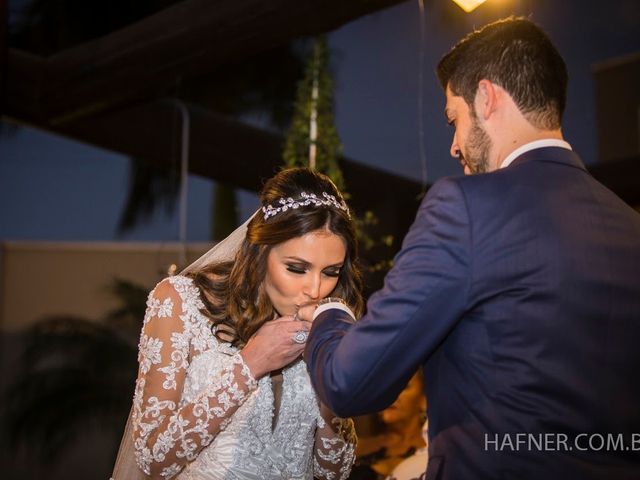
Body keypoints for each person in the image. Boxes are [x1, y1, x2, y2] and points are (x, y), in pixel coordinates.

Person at [300, 16, 640, 480]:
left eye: (453, 119)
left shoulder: (466, 207)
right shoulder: (630, 224)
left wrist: (329, 314)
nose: (455, 146)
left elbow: (350, 383)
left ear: (487, 97)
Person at [111, 167, 364, 479]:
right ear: (260, 253)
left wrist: (331, 392)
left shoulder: (329, 322)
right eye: (296, 268)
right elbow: (152, 458)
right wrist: (250, 364)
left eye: (331, 271)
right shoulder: (180, 302)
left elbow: (332, 474)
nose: (315, 289)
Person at [351, 372, 427, 479]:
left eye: (404, 387)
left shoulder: (432, 452)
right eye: (386, 387)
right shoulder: (354, 445)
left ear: (424, 399)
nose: (391, 395)